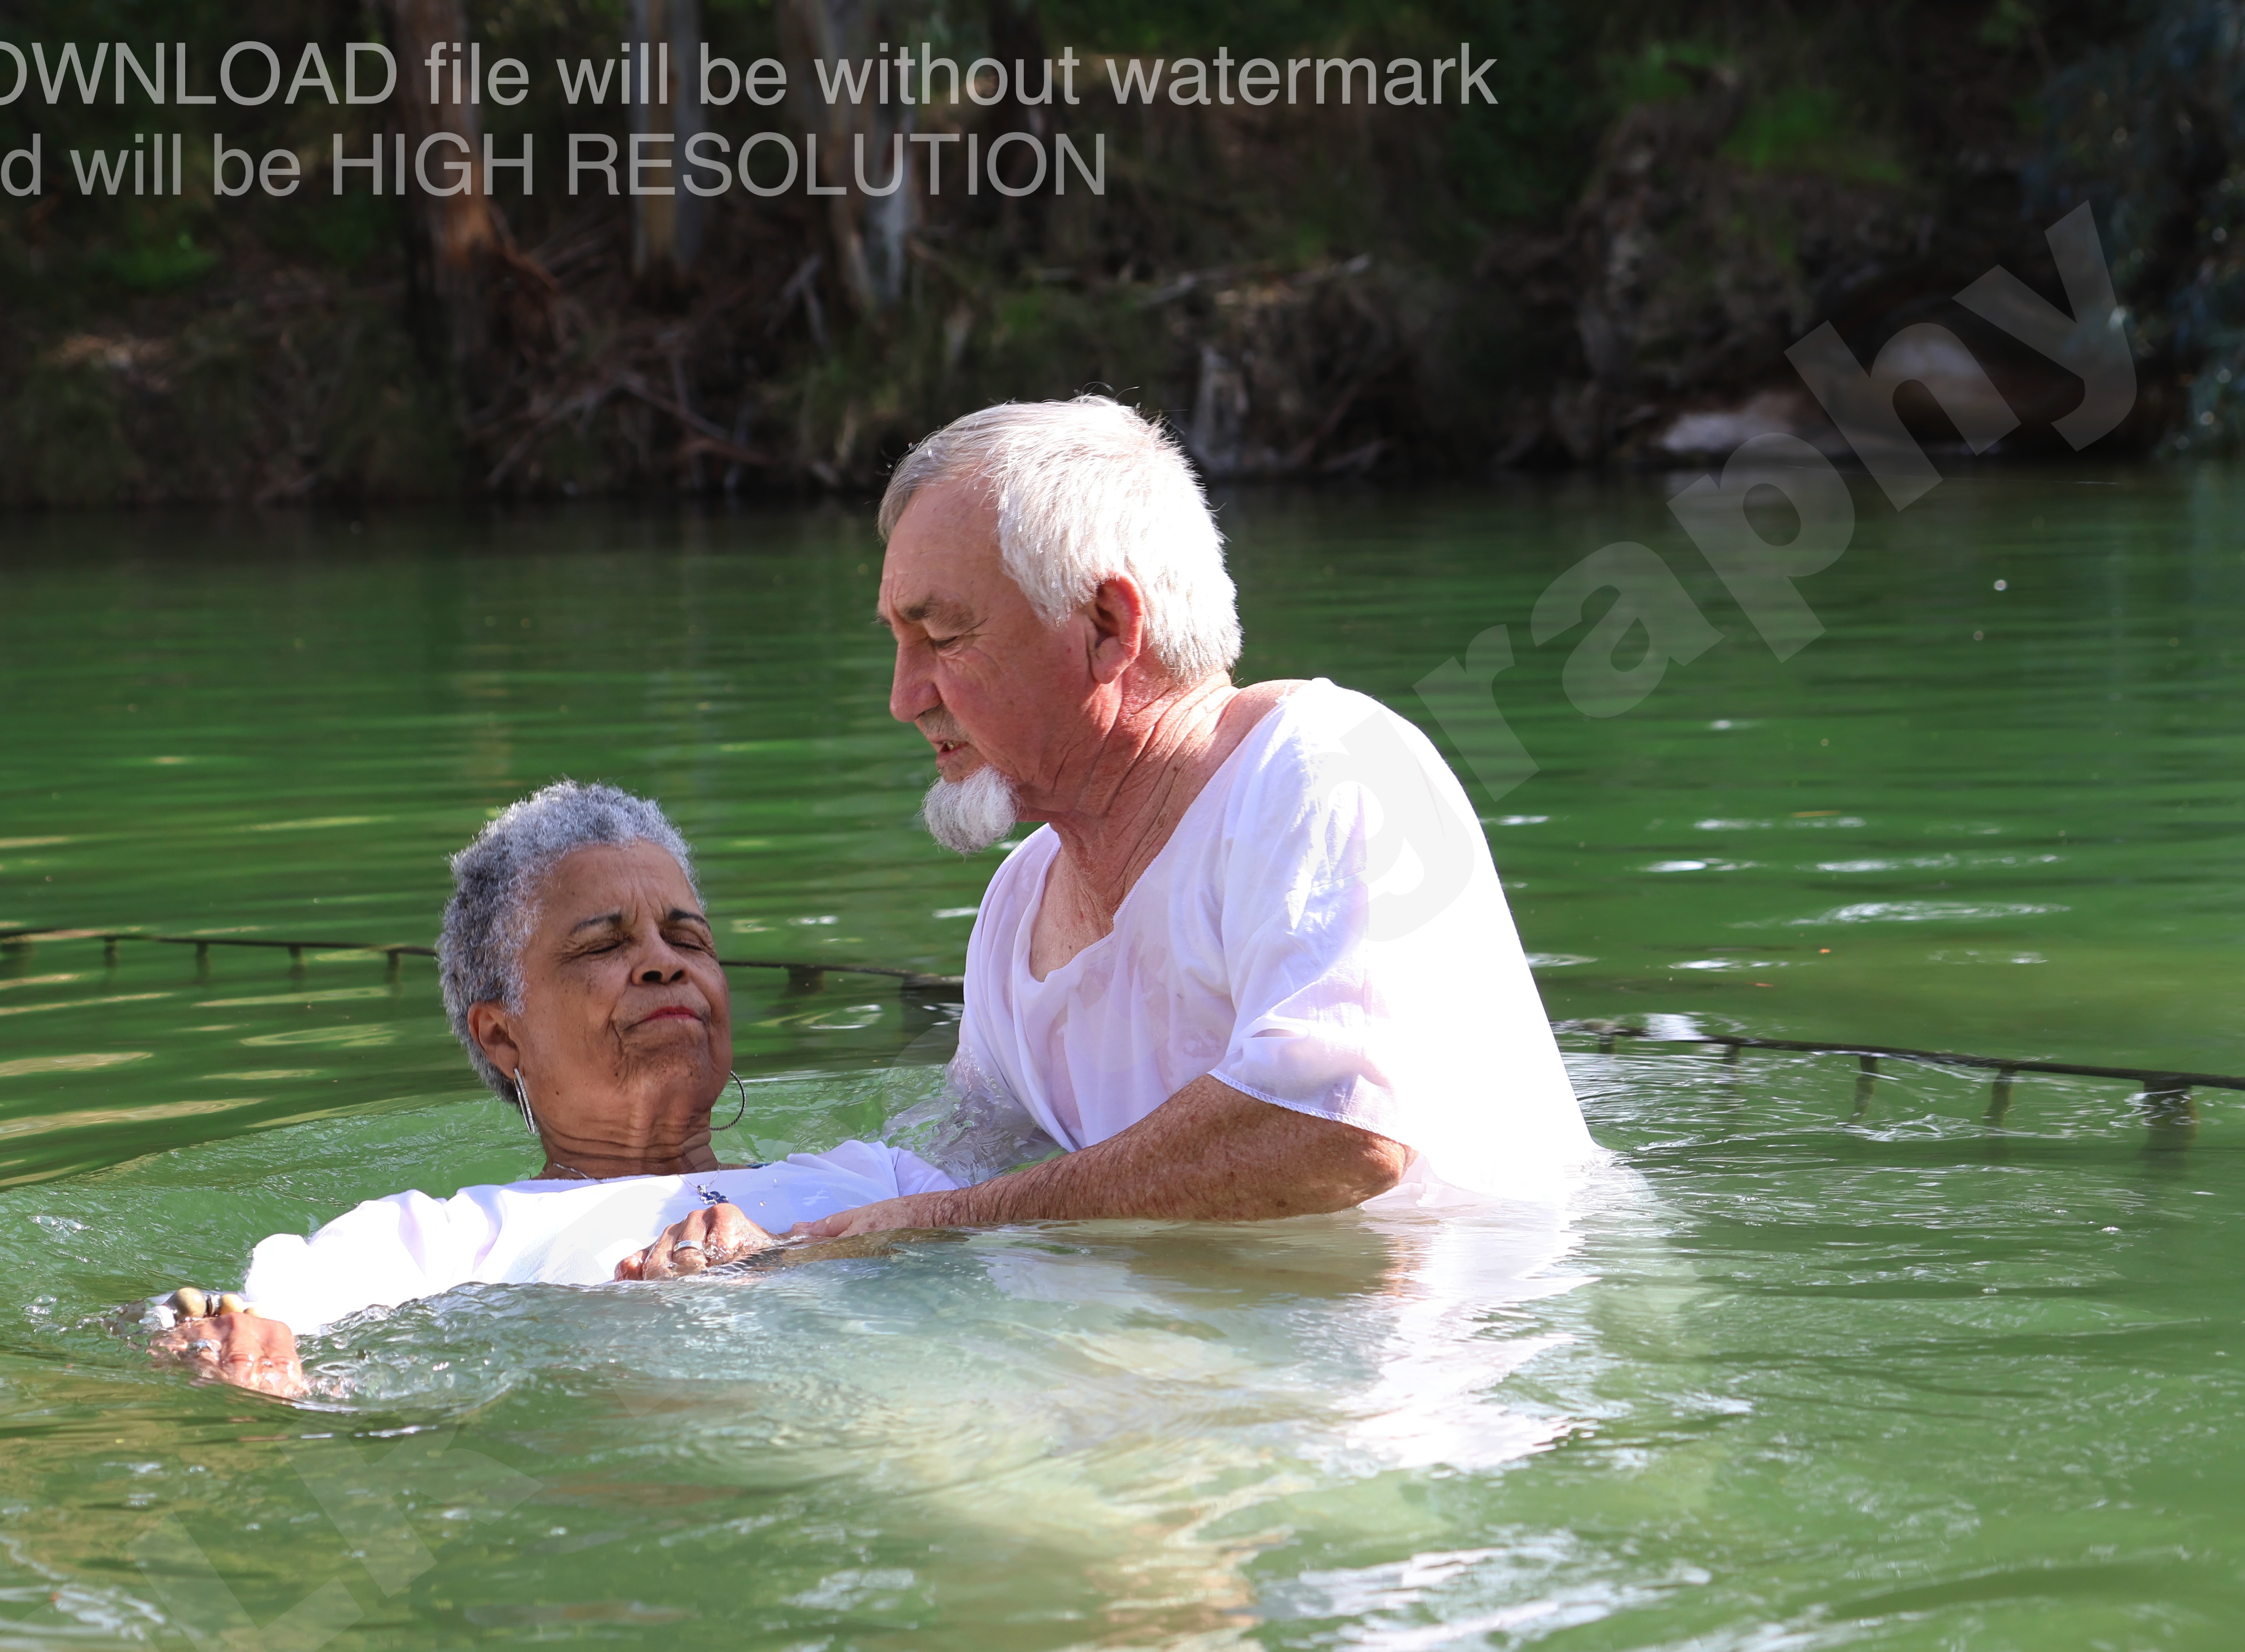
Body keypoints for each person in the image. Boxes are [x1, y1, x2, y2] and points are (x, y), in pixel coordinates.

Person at [650, 396, 1595, 1268]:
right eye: (897, 644)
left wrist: (945, 1221)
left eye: (941, 638)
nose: (903, 698)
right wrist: (728, 1211)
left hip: (1427, 1371)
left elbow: (1338, 1131)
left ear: (1107, 625)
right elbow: (956, 1160)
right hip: (1191, 1368)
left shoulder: (1322, 767)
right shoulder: (1017, 904)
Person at [147, 781, 956, 1395]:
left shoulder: (888, 1180)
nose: (663, 962)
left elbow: (1027, 1249)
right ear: (503, 1036)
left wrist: (801, 1252)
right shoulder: (431, 1242)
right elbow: (236, 1322)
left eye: (688, 939)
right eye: (603, 946)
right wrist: (228, 1341)